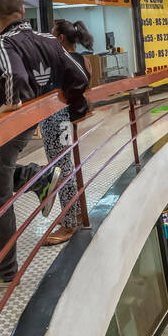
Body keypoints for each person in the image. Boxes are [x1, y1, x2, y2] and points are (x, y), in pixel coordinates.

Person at [0, 0, 90, 284]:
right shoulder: (49, 39)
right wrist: (64, 101)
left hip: (8, 127)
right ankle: (38, 178)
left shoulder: (1, 42)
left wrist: (9, 106)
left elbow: (16, 79)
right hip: (36, 119)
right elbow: (81, 75)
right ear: (23, 11)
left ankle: (4, 269)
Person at [40, 18, 94, 245]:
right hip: (64, 119)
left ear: (60, 38)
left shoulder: (61, 59)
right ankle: (77, 213)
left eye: (53, 34)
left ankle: (69, 223)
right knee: (65, 166)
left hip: (57, 119)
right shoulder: (80, 58)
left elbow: (77, 83)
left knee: (61, 168)